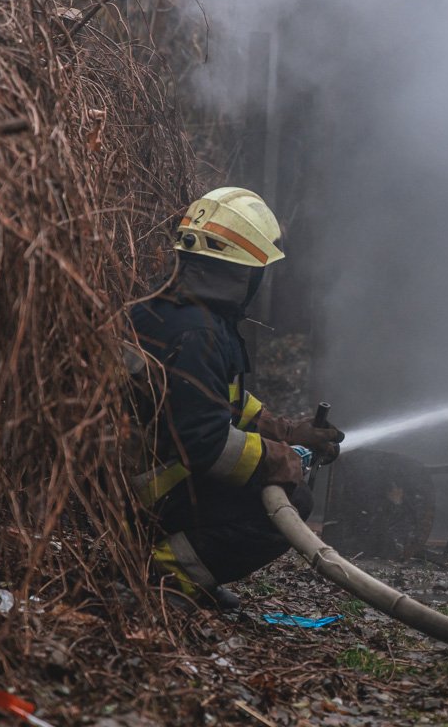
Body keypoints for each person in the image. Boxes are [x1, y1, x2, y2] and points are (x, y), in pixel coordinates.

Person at [127, 187, 344, 610]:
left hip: (144, 475)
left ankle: (183, 568)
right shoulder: (199, 333)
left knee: (278, 484)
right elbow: (206, 445)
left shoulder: (176, 309)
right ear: (242, 271)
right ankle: (165, 577)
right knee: (288, 502)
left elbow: (217, 400)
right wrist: (282, 459)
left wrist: (288, 431)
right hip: (144, 491)